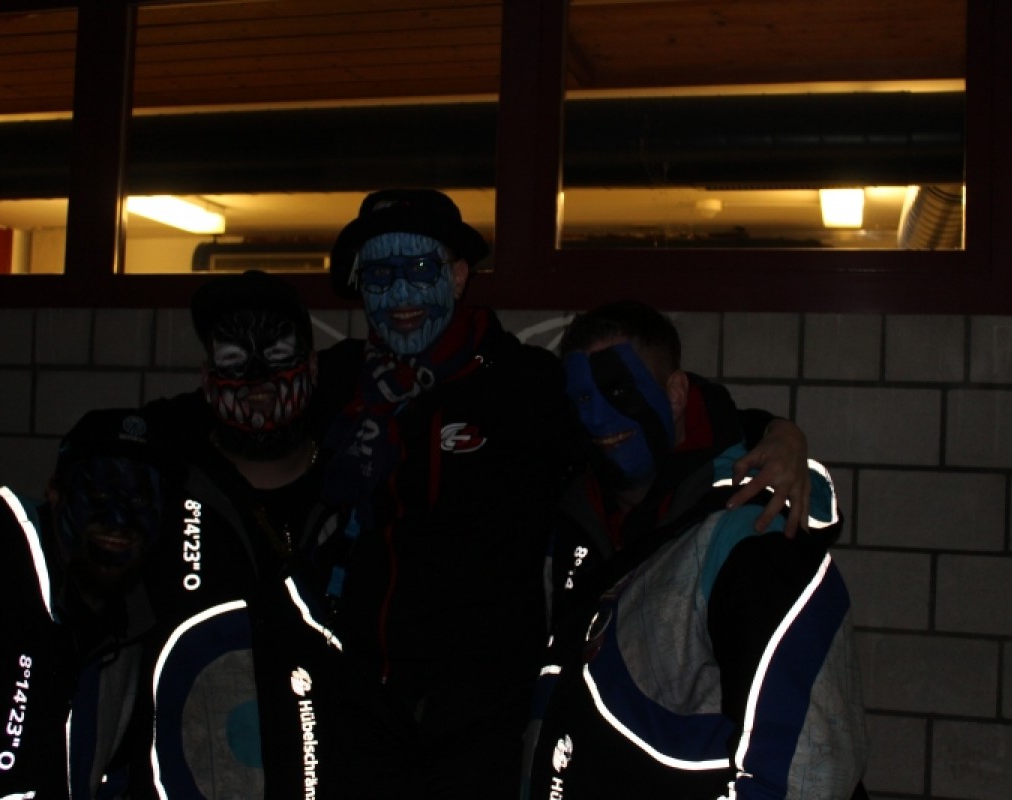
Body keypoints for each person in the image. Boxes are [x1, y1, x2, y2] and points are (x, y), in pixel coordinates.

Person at [522, 301, 868, 799]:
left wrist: (780, 434)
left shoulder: (751, 535)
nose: (596, 416)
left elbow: (810, 767)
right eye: (582, 397)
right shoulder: (575, 517)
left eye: (618, 390)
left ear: (677, 393)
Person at [314, 188, 584, 798]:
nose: (400, 295)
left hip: (484, 725)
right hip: (361, 710)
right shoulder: (340, 383)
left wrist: (776, 435)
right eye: (379, 275)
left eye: (420, 269)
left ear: (459, 276)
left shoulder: (524, 384)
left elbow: (645, 413)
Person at [115, 269, 342, 799]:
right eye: (234, 359)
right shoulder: (163, 496)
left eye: (278, 355)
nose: (258, 378)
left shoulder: (359, 494)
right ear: (206, 376)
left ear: (312, 367)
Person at [0, 407, 179, 799]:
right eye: (99, 495)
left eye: (140, 499)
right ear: (55, 493)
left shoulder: (134, 631)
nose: (117, 519)